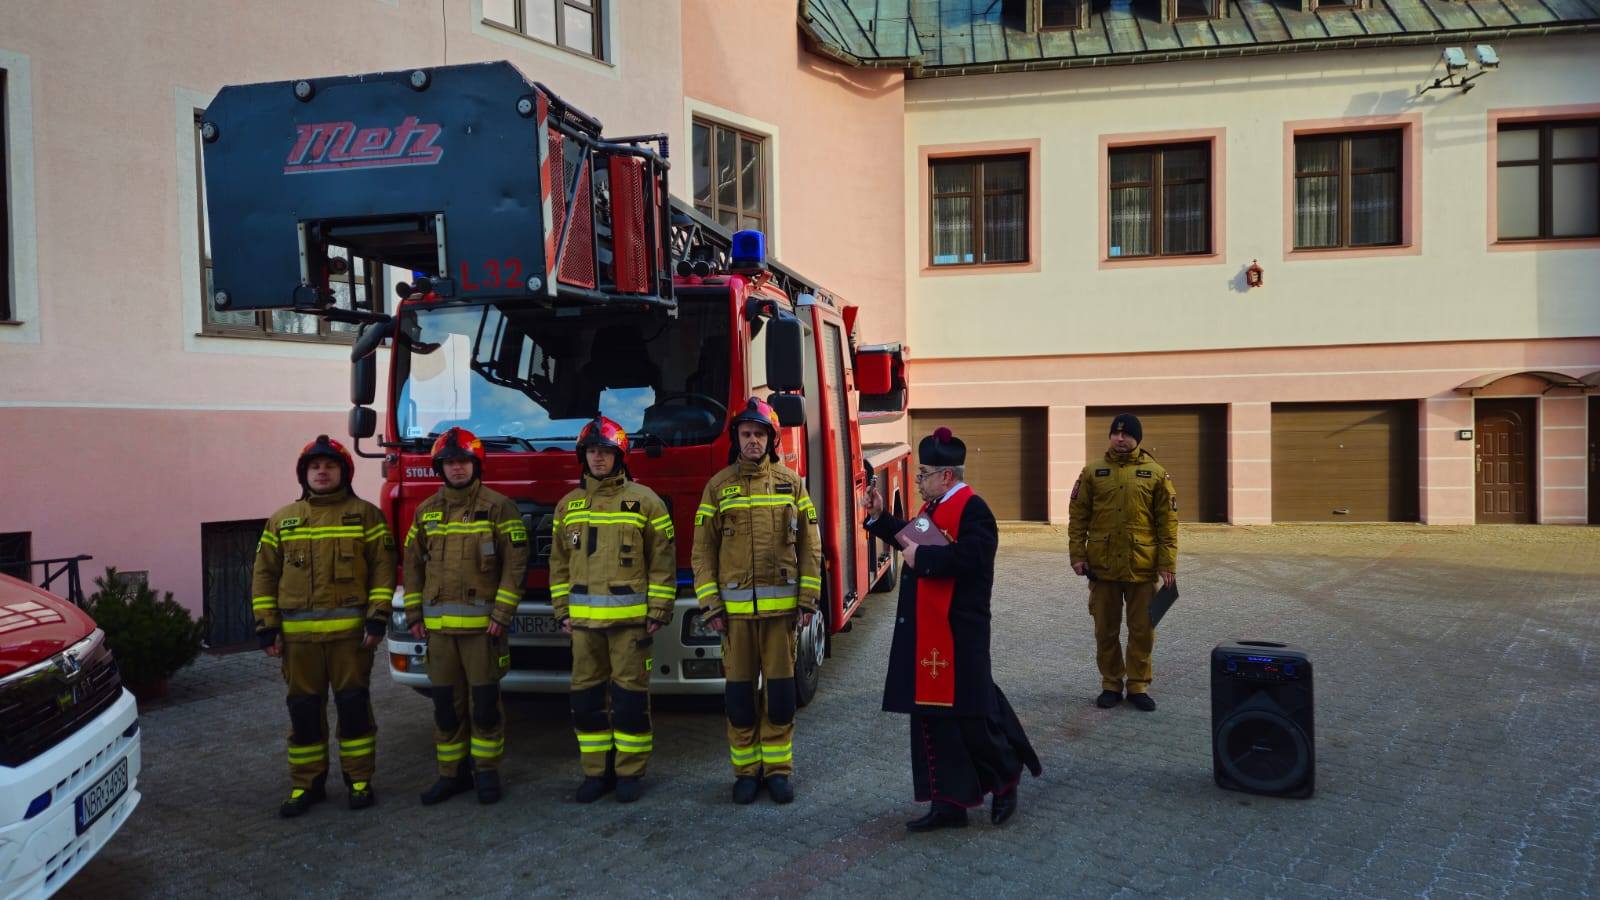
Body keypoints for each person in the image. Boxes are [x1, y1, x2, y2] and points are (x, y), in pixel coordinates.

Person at [865, 427, 1041, 832]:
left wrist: (925, 559)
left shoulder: (973, 509)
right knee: (934, 720)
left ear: (946, 476)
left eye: (923, 474)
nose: (917, 481)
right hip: (930, 631)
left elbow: (972, 560)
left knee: (972, 717)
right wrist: (879, 517)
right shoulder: (934, 507)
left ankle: (1006, 779)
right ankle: (949, 803)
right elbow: (910, 539)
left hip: (960, 632)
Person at [251, 435, 395, 818]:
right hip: (299, 644)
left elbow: (383, 571)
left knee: (353, 708)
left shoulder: (366, 516)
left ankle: (359, 780)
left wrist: (378, 616)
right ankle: (306, 784)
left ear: (344, 472)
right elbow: (264, 576)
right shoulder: (282, 520)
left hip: (351, 640)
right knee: (303, 711)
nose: (322, 472)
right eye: (314, 467)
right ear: (304, 474)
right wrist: (266, 626)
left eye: (330, 466)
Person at [691, 397, 821, 805]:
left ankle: (779, 772)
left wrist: (807, 600)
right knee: (740, 701)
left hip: (781, 616)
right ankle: (746, 773)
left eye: (759, 434)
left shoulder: (791, 484)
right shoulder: (718, 487)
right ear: (737, 438)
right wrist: (711, 606)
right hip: (735, 620)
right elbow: (702, 552)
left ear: (772, 439)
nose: (753, 440)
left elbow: (810, 547)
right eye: (746, 433)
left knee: (781, 698)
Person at [549, 416, 676, 804]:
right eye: (592, 451)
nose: (598, 458)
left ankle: (629, 773)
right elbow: (559, 563)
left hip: (630, 626)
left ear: (619, 456)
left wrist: (658, 609)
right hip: (583, 627)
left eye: (605, 451)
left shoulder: (646, 501)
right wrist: (562, 610)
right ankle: (595, 773)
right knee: (586, 701)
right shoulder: (568, 506)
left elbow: (662, 561)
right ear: (583, 456)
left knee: (630, 702)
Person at [403, 427, 530, 805]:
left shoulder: (499, 507)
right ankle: (451, 775)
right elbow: (413, 566)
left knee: (485, 706)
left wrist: (502, 614)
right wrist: (413, 614)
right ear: (440, 468)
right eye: (449, 462)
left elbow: (515, 566)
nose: (457, 468)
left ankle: (486, 773)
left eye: (463, 461)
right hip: (439, 633)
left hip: (482, 632)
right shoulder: (425, 511)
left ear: (476, 465)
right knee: (446, 707)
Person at [1067, 413, 1178, 712]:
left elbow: (1168, 523)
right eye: (1115, 434)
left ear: (1137, 439)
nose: (1120, 438)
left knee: (1143, 630)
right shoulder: (1092, 472)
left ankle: (1139, 685)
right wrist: (1077, 555)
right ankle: (1111, 684)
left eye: (1126, 434)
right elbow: (1078, 517)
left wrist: (1167, 563)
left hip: (1142, 566)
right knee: (1105, 630)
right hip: (1102, 568)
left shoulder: (1156, 474)